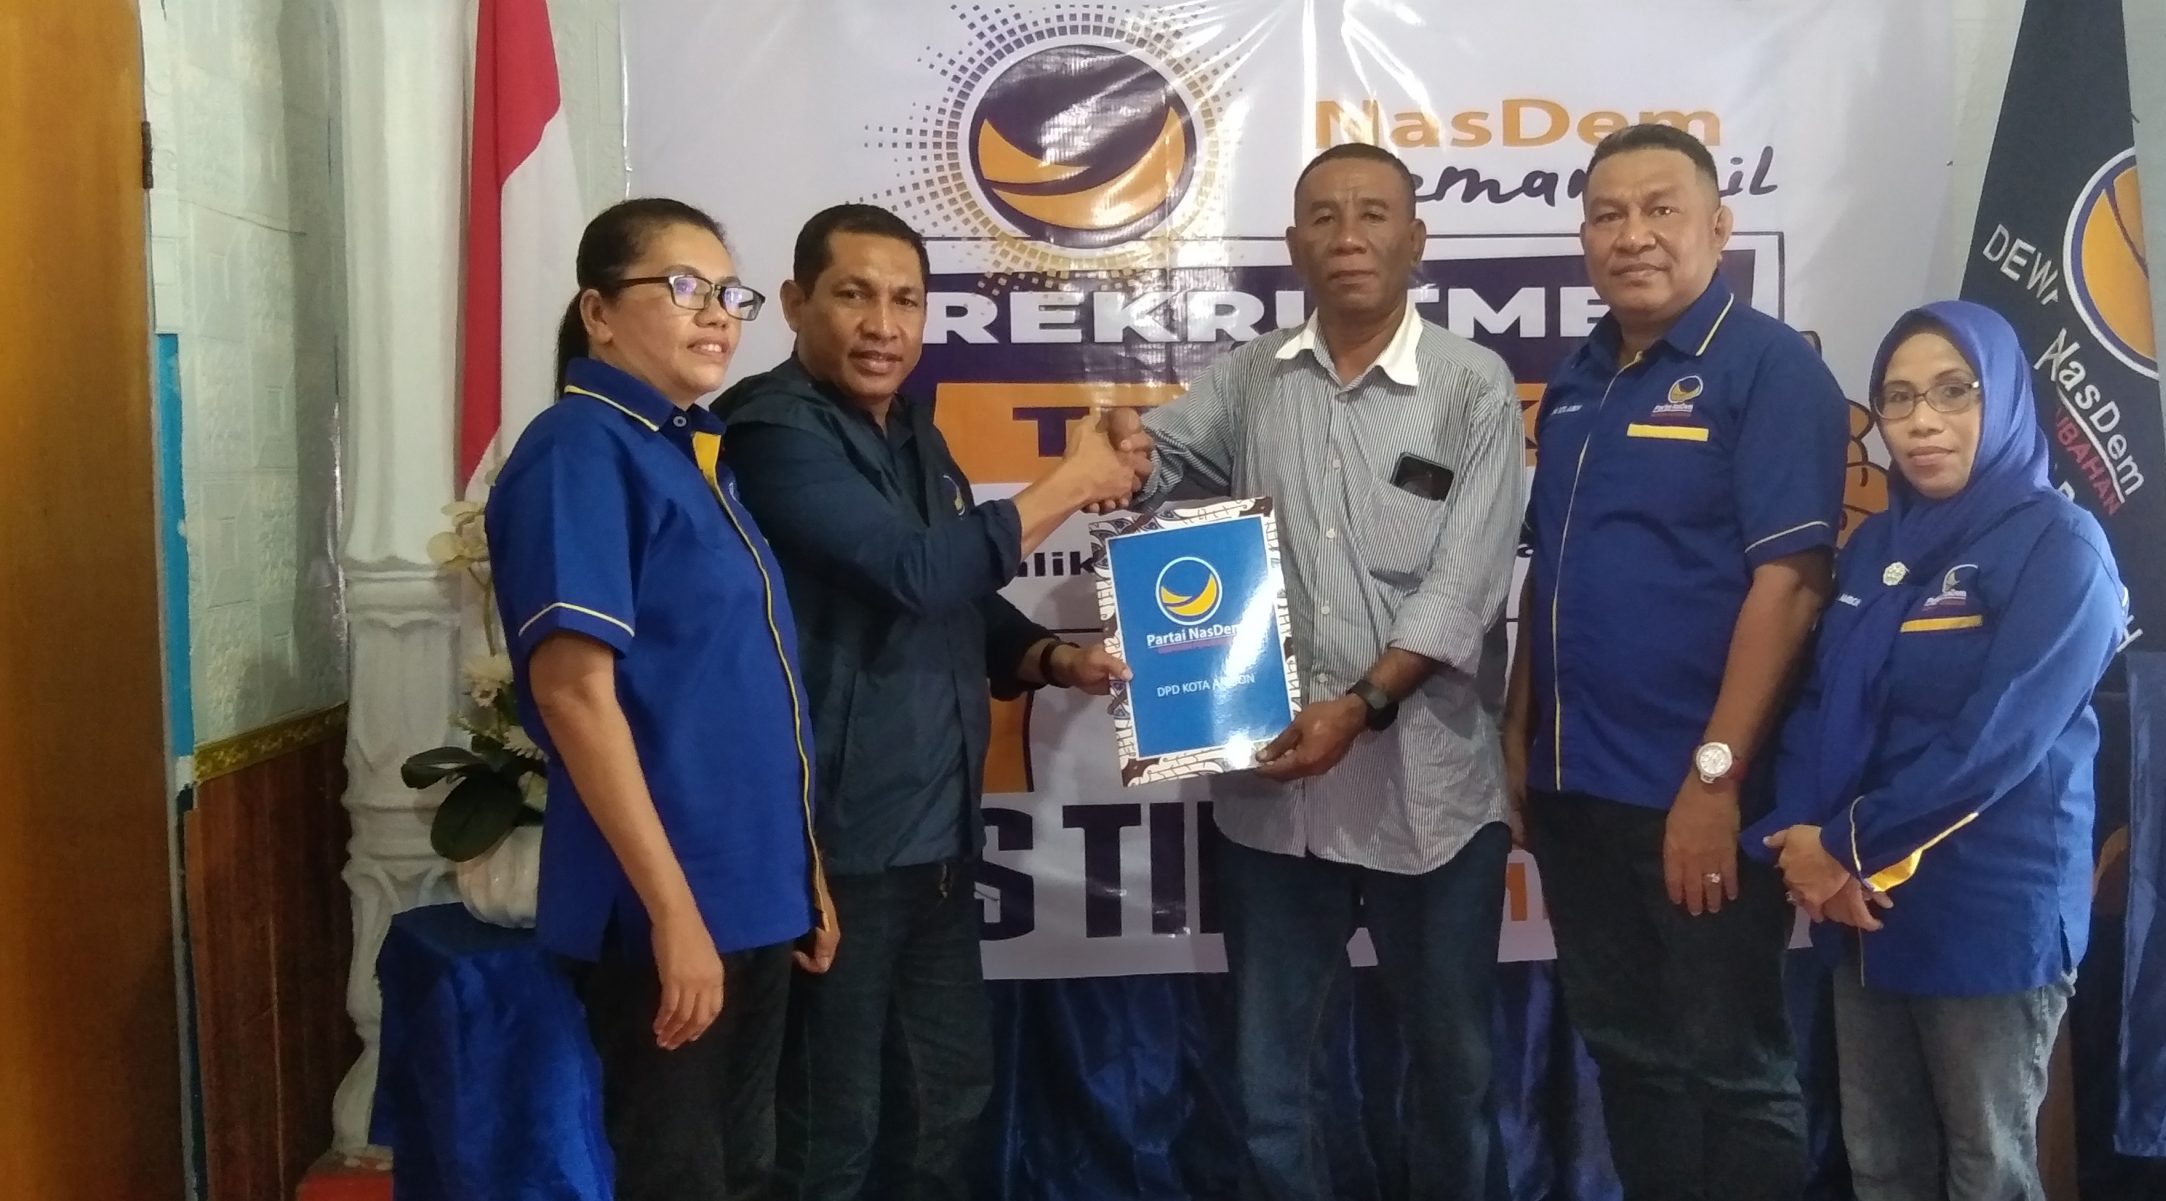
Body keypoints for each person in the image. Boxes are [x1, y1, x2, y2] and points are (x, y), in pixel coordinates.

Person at [1099, 142, 1527, 1201]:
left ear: (1416, 240)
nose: (1348, 237)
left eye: (1373, 214)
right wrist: (1123, 446)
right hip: (1275, 803)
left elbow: (1464, 588)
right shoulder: (1252, 379)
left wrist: (1363, 703)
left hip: (1428, 798)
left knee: (1453, 1078)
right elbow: (1157, 461)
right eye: (1324, 218)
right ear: (1294, 246)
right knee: (1270, 1089)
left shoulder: (1471, 387)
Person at [713, 202, 1138, 1201]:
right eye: (854, 295)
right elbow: (911, 571)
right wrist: (1070, 482)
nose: (883, 325)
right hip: (838, 849)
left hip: (937, 839)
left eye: (906, 300)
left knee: (945, 1102)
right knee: (829, 1129)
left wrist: (1048, 657)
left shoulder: (912, 428)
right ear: (796, 303)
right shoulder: (771, 433)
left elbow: (957, 590)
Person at [1503, 122, 1845, 1201]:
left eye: (1661, 210)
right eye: (1608, 215)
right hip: (1578, 794)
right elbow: (1550, 579)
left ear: (1718, 227)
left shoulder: (1772, 369)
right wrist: (1517, 735)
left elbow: (1790, 587)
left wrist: (1715, 777)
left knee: (1732, 1069)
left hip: (1697, 797)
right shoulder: (1575, 382)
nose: (1633, 235)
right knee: (1630, 1056)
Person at [485, 197, 834, 1201]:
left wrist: (803, 872)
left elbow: (743, 693)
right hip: (667, 907)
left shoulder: (688, 452)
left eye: (728, 292)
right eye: (683, 287)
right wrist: (673, 914)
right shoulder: (579, 448)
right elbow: (573, 695)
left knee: (747, 1173)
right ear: (597, 313)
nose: (716, 312)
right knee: (678, 1178)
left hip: (751, 892)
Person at [1749, 300, 2127, 1201]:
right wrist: (1804, 834)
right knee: (1884, 1162)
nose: (1922, 420)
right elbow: (1818, 700)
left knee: (1985, 1169)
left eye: (1954, 392)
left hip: (1985, 906)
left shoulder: (2060, 546)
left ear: (2004, 398)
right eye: (1899, 397)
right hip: (1862, 906)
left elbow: (1996, 741)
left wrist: (1845, 846)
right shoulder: (1875, 543)